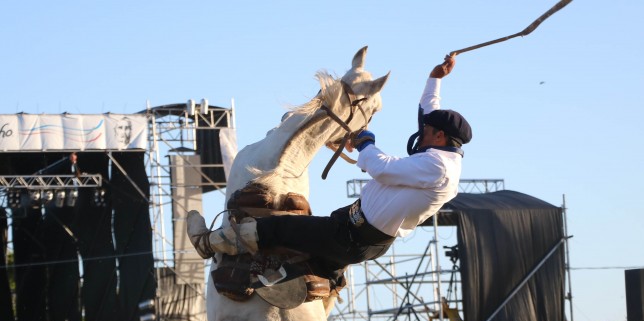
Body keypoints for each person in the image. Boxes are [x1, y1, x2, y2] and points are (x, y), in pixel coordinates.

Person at [186, 55, 470, 279]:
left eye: (428, 130)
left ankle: (210, 243)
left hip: (357, 235)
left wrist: (364, 140)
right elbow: (429, 112)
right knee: (321, 262)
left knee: (281, 228)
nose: (422, 132)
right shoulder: (440, 152)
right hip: (355, 225)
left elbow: (381, 167)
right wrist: (435, 79)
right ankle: (294, 280)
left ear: (440, 137)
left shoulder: (438, 167)